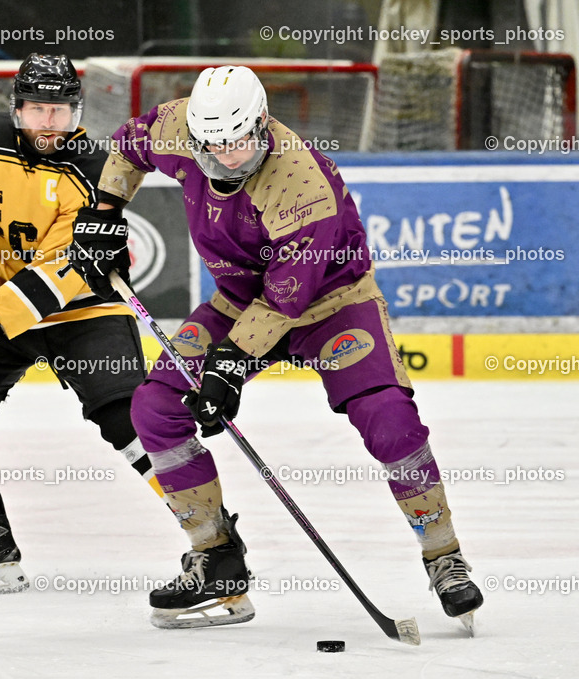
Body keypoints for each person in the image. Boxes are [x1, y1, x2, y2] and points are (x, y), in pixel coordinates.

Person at [68, 65, 484, 630]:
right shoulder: (180, 127)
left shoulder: (299, 180)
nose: (226, 157)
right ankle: (215, 558)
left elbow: (288, 295)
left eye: (238, 142)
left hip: (331, 305)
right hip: (237, 302)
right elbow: (126, 148)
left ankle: (444, 555)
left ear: (262, 122)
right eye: (212, 145)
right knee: (155, 408)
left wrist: (227, 370)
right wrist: (103, 213)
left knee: (390, 421)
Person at [0, 53, 170, 595]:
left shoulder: (98, 173)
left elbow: (61, 271)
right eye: (38, 110)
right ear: (16, 108)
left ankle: (212, 538)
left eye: (62, 111)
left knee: (124, 416)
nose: (50, 123)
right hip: (5, 302)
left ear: (78, 112)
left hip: (84, 305)